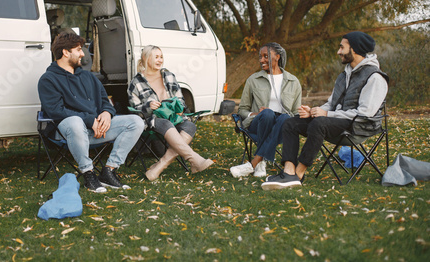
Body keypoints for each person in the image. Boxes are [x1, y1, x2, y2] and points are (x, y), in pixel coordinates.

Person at [261, 31, 389, 190]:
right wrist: (314, 111)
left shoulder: (375, 78)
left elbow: (365, 113)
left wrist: (326, 114)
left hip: (360, 127)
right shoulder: (344, 75)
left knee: (319, 123)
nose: (338, 51)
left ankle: (298, 175)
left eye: (342, 47)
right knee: (290, 122)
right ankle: (288, 171)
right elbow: (332, 103)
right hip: (337, 122)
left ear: (354, 49)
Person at [38, 32, 144, 193]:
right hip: (69, 132)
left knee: (136, 122)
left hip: (96, 130)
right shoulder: (48, 79)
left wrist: (107, 114)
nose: (83, 54)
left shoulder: (88, 76)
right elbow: (56, 110)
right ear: (66, 52)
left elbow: (104, 101)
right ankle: (88, 174)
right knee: (75, 122)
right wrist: (89, 120)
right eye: (79, 49)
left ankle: (109, 171)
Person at [127, 45, 214, 181]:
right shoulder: (136, 82)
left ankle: (159, 166)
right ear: (145, 58)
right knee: (165, 123)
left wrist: (179, 108)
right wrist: (148, 106)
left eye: (161, 57)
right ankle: (195, 159)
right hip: (153, 121)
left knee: (190, 126)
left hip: (174, 117)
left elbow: (180, 98)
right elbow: (135, 110)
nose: (160, 60)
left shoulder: (168, 75)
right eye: (156, 57)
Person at [230, 43, 302, 178]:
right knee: (268, 114)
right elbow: (243, 110)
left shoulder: (293, 82)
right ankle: (260, 162)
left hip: (282, 126)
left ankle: (256, 162)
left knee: (285, 118)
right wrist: (256, 114)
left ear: (277, 57)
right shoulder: (253, 80)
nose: (261, 60)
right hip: (258, 123)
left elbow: (295, 113)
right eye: (260, 57)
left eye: (266, 56)